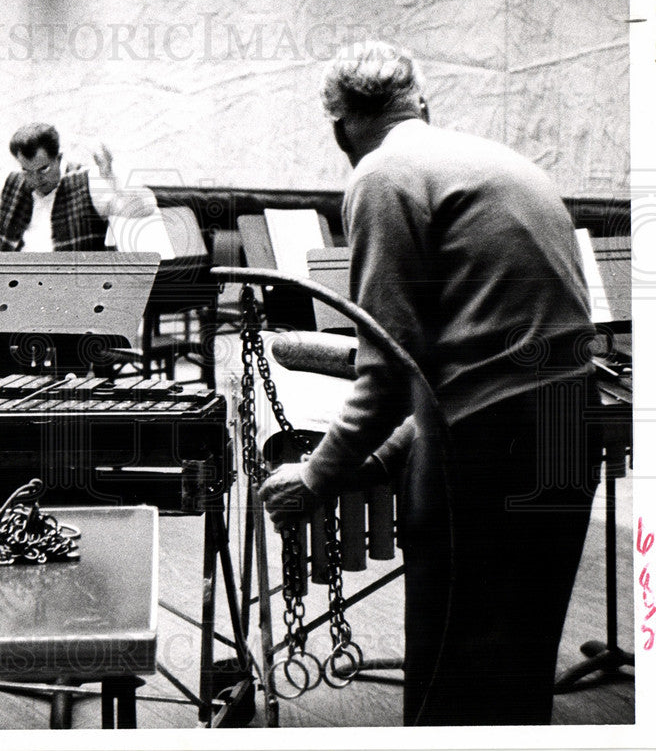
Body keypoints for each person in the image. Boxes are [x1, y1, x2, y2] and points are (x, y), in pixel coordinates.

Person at [257, 41, 601, 725]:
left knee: (450, 664)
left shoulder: (382, 177)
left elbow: (389, 365)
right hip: (572, 415)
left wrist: (319, 475)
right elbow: (481, 352)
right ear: (422, 101)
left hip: (489, 443)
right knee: (520, 654)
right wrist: (390, 452)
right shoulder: (497, 160)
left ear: (339, 128)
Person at [0, 122, 157, 251]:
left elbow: (143, 209)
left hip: (74, 296)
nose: (35, 179)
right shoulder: (10, 181)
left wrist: (112, 175)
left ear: (58, 158)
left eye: (43, 169)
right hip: (16, 293)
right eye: (26, 170)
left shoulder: (87, 180)